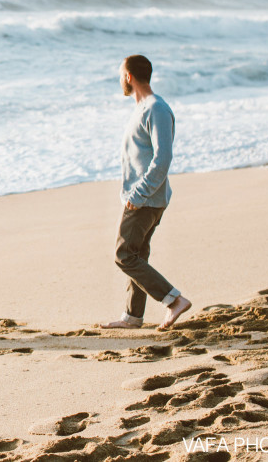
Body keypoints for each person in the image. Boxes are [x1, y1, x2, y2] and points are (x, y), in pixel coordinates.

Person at [101, 55, 191, 331]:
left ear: (128, 77)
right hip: (144, 197)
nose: (120, 80)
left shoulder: (157, 109)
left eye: (121, 75)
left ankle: (173, 299)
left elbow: (163, 159)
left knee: (123, 254)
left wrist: (138, 195)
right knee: (137, 255)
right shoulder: (142, 109)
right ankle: (133, 316)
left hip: (145, 199)